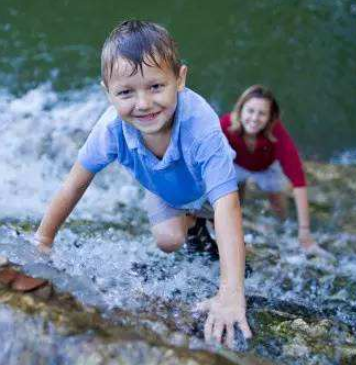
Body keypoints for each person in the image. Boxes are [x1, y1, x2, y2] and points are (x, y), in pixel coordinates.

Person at [35, 20, 252, 348]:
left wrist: (231, 294)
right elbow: (73, 185)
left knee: (227, 226)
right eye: (125, 92)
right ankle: (191, 223)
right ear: (107, 92)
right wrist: (43, 240)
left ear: (179, 79)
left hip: (209, 187)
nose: (144, 104)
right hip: (164, 187)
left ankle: (202, 222)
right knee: (168, 241)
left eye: (155, 86)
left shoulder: (200, 124)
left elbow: (227, 203)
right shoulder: (110, 130)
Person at [220, 85, 327, 255]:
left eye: (262, 113)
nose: (254, 118)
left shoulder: (277, 135)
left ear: (270, 117)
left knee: (278, 204)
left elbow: (298, 181)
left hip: (266, 168)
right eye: (250, 111)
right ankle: (235, 229)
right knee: (233, 202)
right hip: (237, 165)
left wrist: (304, 231)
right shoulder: (225, 125)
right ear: (240, 110)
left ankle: (283, 226)